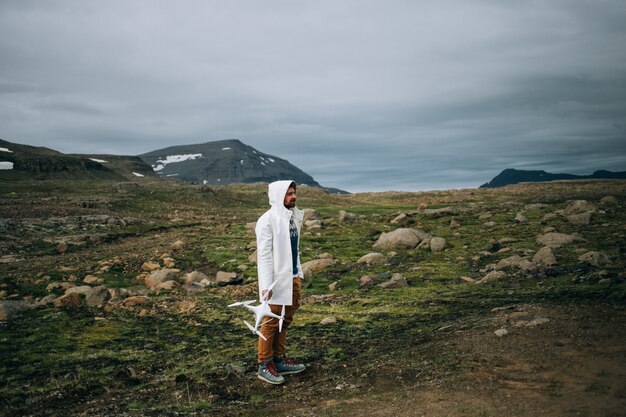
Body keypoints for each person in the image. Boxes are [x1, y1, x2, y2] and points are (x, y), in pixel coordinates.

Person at [254, 180, 307, 384]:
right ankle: (264, 364)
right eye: (289, 194)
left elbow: (294, 249)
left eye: (294, 193)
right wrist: (266, 285)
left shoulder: (291, 217)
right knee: (270, 320)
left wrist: (298, 273)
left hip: (292, 277)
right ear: (278, 195)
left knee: (286, 319)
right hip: (275, 282)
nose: (293, 197)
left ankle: (279, 358)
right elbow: (265, 256)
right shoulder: (267, 221)